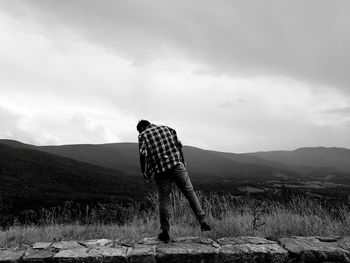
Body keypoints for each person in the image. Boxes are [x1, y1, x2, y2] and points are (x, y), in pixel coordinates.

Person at [137, 120, 211, 243]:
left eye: (139, 130)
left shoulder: (143, 135)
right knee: (189, 192)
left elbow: (143, 154)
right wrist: (183, 161)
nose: (139, 132)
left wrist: (144, 171)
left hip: (161, 171)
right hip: (177, 165)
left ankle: (165, 232)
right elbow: (179, 146)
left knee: (164, 200)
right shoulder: (168, 129)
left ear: (142, 127)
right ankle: (203, 222)